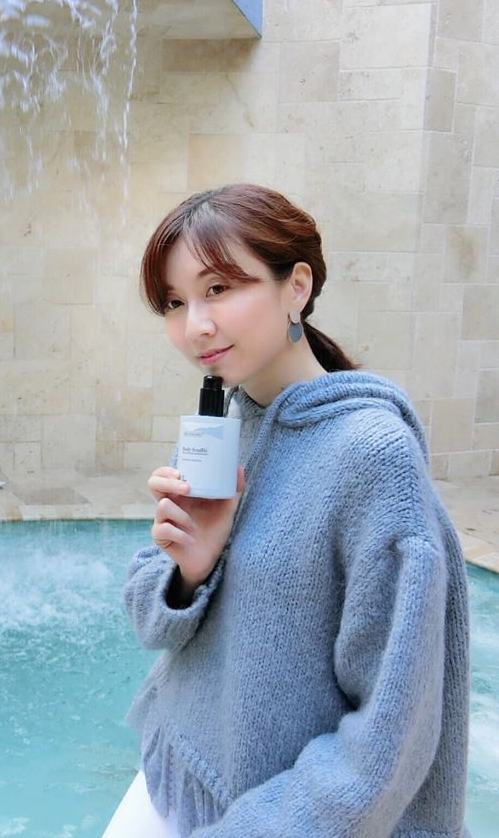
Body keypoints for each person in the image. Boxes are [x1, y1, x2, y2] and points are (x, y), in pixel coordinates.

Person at [103, 184, 470, 838]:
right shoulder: (227, 424)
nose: (194, 326)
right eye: (174, 302)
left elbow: (391, 736)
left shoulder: (372, 458)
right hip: (180, 776)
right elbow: (151, 623)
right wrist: (189, 570)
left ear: (295, 287)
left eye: (218, 289)